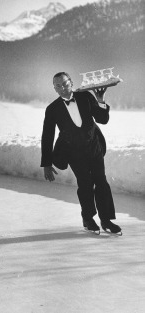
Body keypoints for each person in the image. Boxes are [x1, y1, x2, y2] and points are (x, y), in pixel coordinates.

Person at [41, 71, 122, 234]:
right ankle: (88, 219)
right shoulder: (52, 109)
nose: (62, 88)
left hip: (94, 147)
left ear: (71, 83)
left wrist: (100, 101)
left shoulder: (85, 96)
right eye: (58, 86)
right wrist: (47, 164)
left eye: (65, 83)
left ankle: (106, 220)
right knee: (85, 184)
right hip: (73, 152)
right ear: (54, 89)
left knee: (101, 181)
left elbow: (103, 120)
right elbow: (47, 136)